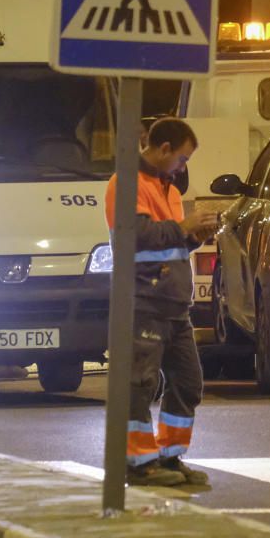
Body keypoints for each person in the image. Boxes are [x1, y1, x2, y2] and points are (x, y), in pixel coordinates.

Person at [104, 117, 217, 486]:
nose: (182, 167)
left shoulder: (167, 187)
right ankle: (137, 464)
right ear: (164, 149)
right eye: (182, 159)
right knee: (139, 385)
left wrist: (195, 236)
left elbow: (169, 243)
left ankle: (170, 458)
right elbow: (134, 234)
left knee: (187, 382)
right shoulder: (126, 183)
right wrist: (184, 228)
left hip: (171, 304)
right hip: (142, 300)